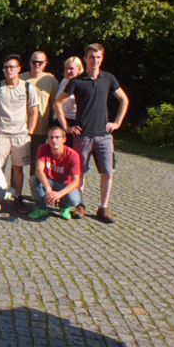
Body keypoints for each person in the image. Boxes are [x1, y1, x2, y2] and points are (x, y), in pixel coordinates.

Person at [54, 43, 129, 223]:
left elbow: (124, 100)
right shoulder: (77, 81)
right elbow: (58, 103)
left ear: (102, 58)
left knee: (108, 172)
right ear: (86, 58)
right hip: (83, 136)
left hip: (104, 136)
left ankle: (103, 208)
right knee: (79, 173)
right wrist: (66, 127)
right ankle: (80, 204)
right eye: (92, 57)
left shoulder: (108, 78)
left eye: (98, 57)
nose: (95, 60)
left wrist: (117, 122)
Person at [0, 54, 39, 213]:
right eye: (6, 67)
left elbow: (34, 112)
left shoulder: (28, 87)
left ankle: (17, 196)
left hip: (20, 136)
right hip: (1, 135)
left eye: (12, 67)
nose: (9, 70)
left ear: (18, 69)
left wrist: (29, 133)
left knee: (17, 168)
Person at [28, 126, 82, 220]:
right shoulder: (42, 148)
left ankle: (64, 206)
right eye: (51, 137)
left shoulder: (73, 155)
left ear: (64, 139)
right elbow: (38, 170)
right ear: (47, 139)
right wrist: (48, 188)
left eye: (57, 137)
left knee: (74, 199)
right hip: (50, 181)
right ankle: (41, 208)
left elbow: (76, 181)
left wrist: (59, 194)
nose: (54, 140)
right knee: (33, 179)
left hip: (64, 184)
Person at [20, 51, 59, 177]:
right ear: (29, 62)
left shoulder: (51, 80)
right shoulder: (20, 78)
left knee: (36, 162)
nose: (36, 64)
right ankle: (15, 189)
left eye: (40, 62)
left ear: (45, 64)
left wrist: (54, 127)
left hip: (40, 128)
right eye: (34, 62)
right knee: (17, 162)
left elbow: (55, 106)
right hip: (20, 127)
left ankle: (34, 190)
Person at [53, 57, 83, 148]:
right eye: (66, 68)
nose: (68, 71)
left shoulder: (83, 84)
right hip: (61, 120)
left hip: (75, 122)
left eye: (71, 68)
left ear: (79, 69)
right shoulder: (64, 82)